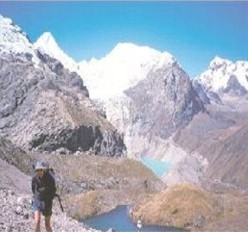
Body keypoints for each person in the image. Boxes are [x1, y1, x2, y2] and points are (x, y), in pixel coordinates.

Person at [32, 161, 56, 232]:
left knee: (47, 225)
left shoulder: (50, 179)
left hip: (47, 203)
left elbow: (53, 190)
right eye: (37, 170)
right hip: (38, 201)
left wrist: (48, 199)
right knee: (37, 222)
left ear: (43, 170)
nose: (39, 172)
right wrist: (37, 197)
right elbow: (33, 189)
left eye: (40, 170)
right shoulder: (34, 179)